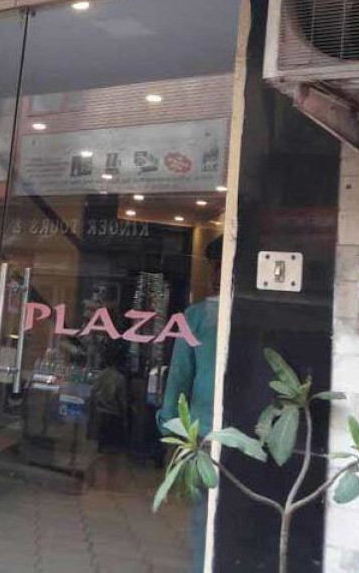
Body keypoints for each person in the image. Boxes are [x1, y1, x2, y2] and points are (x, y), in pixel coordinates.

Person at [158, 236, 222, 573]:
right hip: (248, 439)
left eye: (215, 267)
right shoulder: (261, 314)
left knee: (203, 520)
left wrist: (170, 427)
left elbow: (178, 382)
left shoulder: (197, 317)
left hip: (202, 438)